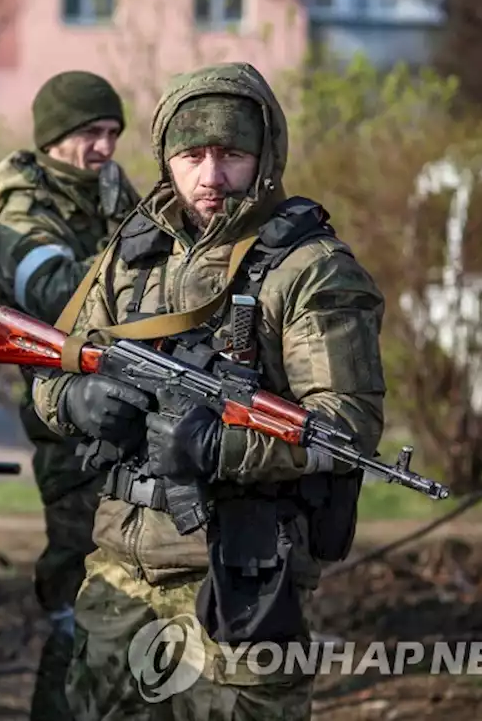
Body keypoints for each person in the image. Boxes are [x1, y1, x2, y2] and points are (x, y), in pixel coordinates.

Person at [30, 61, 388, 720]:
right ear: (167, 158)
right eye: (192, 155)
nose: (212, 176)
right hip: (118, 574)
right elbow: (53, 370)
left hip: (237, 581)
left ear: (265, 155)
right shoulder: (129, 256)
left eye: (232, 154)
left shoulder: (310, 272)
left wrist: (220, 446)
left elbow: (346, 430)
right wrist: (76, 402)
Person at [0, 70, 143, 719]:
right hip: (69, 431)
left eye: (111, 133)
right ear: (54, 138)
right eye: (88, 134)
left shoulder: (110, 195)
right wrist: (143, 262)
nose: (103, 148)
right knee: (79, 605)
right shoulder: (22, 213)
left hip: (131, 425)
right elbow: (57, 297)